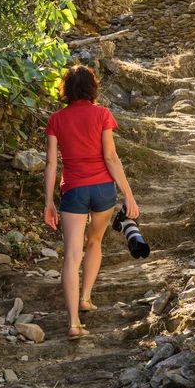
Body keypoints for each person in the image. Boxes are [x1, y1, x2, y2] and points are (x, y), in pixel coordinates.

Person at [44, 64, 139, 340]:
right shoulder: (102, 114)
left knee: (72, 255)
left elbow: (51, 164)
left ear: (67, 89)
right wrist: (128, 195)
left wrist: (48, 202)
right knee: (94, 241)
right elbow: (110, 158)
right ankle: (85, 297)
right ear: (92, 88)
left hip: (73, 190)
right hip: (102, 190)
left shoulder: (56, 119)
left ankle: (74, 323)